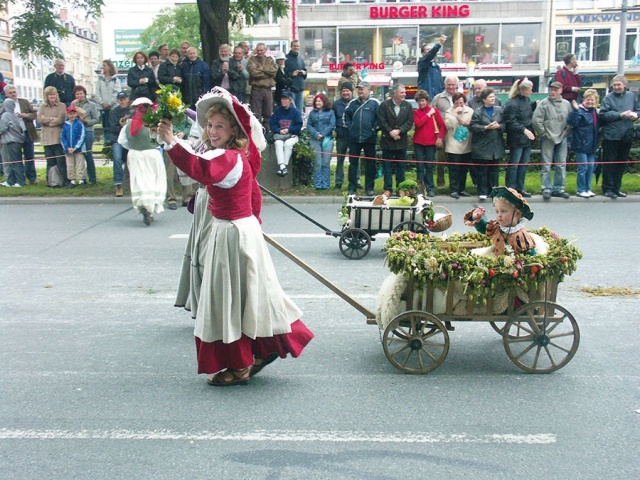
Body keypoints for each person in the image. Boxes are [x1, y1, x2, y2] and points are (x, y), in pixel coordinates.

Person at [156, 86, 314, 386]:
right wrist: (173, 141)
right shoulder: (230, 155)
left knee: (229, 300)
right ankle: (256, 351)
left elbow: (201, 170)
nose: (212, 131)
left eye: (220, 126)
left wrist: (171, 143)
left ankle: (240, 364)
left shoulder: (229, 158)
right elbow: (206, 168)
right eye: (209, 125)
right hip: (235, 230)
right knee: (248, 296)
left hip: (232, 235)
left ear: (233, 131)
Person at [117, 97, 167, 226]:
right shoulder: (154, 125)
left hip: (135, 155)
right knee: (154, 180)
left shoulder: (128, 125)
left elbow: (123, 141)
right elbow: (161, 140)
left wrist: (134, 146)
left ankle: (143, 205)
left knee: (139, 181)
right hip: (152, 153)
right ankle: (150, 208)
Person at [463, 186, 538, 257]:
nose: (499, 215)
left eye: (503, 211)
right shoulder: (497, 227)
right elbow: (484, 228)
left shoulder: (521, 236)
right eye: (497, 211)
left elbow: (531, 254)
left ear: (517, 214)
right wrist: (476, 218)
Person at [598, 75, 640, 199]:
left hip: (626, 134)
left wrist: (636, 115)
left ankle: (617, 188)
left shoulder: (631, 96)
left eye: (618, 85)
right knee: (610, 163)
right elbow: (603, 115)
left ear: (625, 85)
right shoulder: (608, 98)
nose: (616, 87)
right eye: (614, 85)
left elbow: (638, 110)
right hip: (611, 136)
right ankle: (607, 188)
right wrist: (619, 115)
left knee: (621, 163)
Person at [532, 81, 572, 200]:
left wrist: (568, 130)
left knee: (561, 164)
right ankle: (546, 188)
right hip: (548, 138)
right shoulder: (543, 103)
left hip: (562, 136)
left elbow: (571, 119)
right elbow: (536, 120)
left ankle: (559, 188)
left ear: (561, 91)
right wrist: (543, 133)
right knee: (546, 164)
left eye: (556, 90)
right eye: (551, 89)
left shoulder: (566, 104)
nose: (553, 92)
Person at [343, 81, 379, 195]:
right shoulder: (352, 103)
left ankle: (369, 188)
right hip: (354, 139)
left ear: (368, 90)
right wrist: (351, 128)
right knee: (353, 164)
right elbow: (346, 117)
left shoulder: (375, 103)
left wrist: (374, 129)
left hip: (369, 138)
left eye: (362, 89)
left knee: (370, 164)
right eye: (358, 89)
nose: (360, 91)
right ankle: (352, 187)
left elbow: (379, 118)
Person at [469, 88, 505, 201]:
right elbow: (473, 126)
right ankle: (482, 191)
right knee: (482, 170)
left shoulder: (500, 110)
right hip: (482, 146)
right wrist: (485, 127)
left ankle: (494, 191)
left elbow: (506, 124)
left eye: (493, 96)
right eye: (490, 97)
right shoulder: (478, 112)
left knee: (494, 170)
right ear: (484, 99)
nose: (493, 98)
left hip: (496, 145)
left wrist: (499, 126)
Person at [377, 83, 414, 196]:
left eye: (404, 92)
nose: (404, 94)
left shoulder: (408, 106)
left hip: (401, 141)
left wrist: (399, 131)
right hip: (387, 141)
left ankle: (400, 188)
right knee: (387, 166)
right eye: (402, 92)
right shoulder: (384, 105)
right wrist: (391, 133)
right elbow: (382, 121)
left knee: (401, 167)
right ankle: (388, 189)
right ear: (395, 93)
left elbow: (409, 122)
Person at [502, 77, 535, 198]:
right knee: (514, 164)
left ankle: (520, 187)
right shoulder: (512, 103)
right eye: (529, 89)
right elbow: (511, 121)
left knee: (524, 164)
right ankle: (511, 188)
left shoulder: (526, 100)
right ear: (522, 90)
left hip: (527, 137)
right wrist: (524, 130)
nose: (531, 91)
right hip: (516, 137)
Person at [567, 89, 599, 198]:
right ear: (584, 99)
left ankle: (588, 188)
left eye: (592, 100)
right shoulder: (580, 111)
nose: (590, 102)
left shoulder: (594, 112)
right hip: (581, 143)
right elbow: (572, 122)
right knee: (583, 167)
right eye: (588, 99)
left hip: (592, 144)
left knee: (590, 167)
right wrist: (575, 110)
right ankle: (580, 189)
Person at [412, 89, 445, 198]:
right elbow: (418, 124)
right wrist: (428, 115)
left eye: (423, 100)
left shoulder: (435, 111)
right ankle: (420, 189)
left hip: (431, 143)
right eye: (419, 101)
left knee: (429, 166)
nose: (421, 103)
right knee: (420, 167)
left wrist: (440, 138)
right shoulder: (416, 112)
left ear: (427, 101)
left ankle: (430, 188)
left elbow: (442, 126)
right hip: (418, 143)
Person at [3, 85, 38, 185]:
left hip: (27, 132)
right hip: (13, 136)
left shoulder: (24, 102)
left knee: (29, 156)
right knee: (16, 158)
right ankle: (19, 179)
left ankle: (32, 178)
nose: (13, 94)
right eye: (10, 93)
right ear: (6, 94)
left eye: (14, 92)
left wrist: (26, 115)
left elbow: (34, 114)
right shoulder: (4, 105)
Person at [444, 91, 474, 199]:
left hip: (466, 143)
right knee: (454, 169)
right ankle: (454, 189)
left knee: (464, 169)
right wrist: (455, 114)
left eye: (461, 103)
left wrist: (466, 123)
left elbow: (473, 124)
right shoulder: (449, 112)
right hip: (453, 144)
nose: (459, 105)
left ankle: (462, 189)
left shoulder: (470, 111)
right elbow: (448, 125)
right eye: (457, 103)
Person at [38, 86, 68, 187]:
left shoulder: (61, 106)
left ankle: (64, 181)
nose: (52, 96)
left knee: (60, 161)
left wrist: (46, 120)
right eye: (50, 95)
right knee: (50, 161)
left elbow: (60, 119)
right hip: (46, 138)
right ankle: (51, 181)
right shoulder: (43, 107)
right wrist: (51, 119)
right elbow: (39, 120)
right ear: (46, 96)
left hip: (57, 137)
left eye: (54, 94)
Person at [431, 75, 458, 188]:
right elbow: (431, 116)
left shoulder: (460, 97)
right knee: (440, 160)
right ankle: (440, 183)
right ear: (445, 85)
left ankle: (455, 185)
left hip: (456, 133)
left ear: (456, 85)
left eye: (453, 84)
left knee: (455, 161)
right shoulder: (437, 98)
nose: (451, 87)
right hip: (442, 134)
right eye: (448, 84)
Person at [269, 90, 303, 177]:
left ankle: (284, 166)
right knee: (278, 143)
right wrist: (279, 130)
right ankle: (283, 167)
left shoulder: (295, 112)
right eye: (282, 99)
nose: (283, 101)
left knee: (288, 144)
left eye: (286, 99)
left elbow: (299, 125)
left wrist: (289, 130)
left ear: (290, 100)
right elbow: (272, 125)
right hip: (280, 135)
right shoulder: (277, 111)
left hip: (292, 135)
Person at [71, 85, 100, 184]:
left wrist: (86, 121)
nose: (79, 95)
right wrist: (72, 107)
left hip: (87, 131)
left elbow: (96, 119)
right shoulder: (73, 105)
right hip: (76, 132)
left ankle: (92, 178)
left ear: (85, 94)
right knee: (78, 155)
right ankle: (80, 178)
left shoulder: (91, 105)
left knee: (88, 154)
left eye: (81, 93)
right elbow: (68, 118)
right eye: (77, 94)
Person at [307, 93, 336, 190]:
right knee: (317, 162)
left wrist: (323, 134)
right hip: (315, 140)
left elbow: (332, 125)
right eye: (316, 101)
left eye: (319, 101)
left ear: (324, 102)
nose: (317, 103)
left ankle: (326, 184)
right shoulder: (312, 113)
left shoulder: (331, 112)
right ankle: (318, 184)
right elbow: (309, 125)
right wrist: (316, 134)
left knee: (326, 162)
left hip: (327, 139)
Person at [248, 43, 278, 129]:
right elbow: (253, 73)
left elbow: (274, 72)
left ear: (265, 50)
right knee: (256, 114)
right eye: (258, 50)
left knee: (268, 113)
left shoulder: (270, 60)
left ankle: (267, 132)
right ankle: (258, 132)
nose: (260, 52)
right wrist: (267, 73)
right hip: (256, 89)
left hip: (268, 89)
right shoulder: (252, 60)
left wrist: (261, 69)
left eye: (261, 50)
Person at [109, 91, 131, 197]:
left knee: (133, 159)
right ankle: (118, 184)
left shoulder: (132, 111)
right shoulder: (113, 112)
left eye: (124, 99)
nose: (122, 101)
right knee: (117, 159)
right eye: (120, 100)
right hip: (117, 139)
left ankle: (134, 182)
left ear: (127, 99)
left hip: (130, 139)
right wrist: (124, 126)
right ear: (118, 101)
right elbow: (113, 128)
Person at [95, 59, 122, 146]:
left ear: (110, 67)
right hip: (102, 108)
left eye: (104, 65)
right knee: (105, 127)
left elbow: (117, 93)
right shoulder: (100, 79)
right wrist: (101, 102)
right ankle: (106, 145)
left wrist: (110, 103)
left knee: (113, 126)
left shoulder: (115, 79)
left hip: (113, 108)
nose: (103, 67)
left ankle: (114, 144)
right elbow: (97, 92)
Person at [0, 98, 26, 187]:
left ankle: (20, 182)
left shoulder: (6, 115)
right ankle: (11, 181)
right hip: (18, 141)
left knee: (15, 162)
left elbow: (2, 128)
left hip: (11, 141)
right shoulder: (15, 115)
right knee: (13, 161)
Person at [332, 82, 353, 190]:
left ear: (351, 92)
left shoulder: (355, 103)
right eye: (343, 91)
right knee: (340, 160)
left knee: (354, 160)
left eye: (347, 91)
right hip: (341, 135)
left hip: (353, 136)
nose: (345, 93)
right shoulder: (336, 104)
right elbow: (333, 119)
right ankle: (338, 182)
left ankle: (355, 180)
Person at [60, 105, 87, 187]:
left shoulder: (79, 124)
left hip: (79, 149)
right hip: (68, 150)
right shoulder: (65, 125)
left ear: (76, 114)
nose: (72, 115)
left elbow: (82, 136)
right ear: (67, 114)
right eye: (70, 114)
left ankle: (82, 180)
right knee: (70, 165)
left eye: (74, 113)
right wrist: (67, 147)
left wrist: (75, 147)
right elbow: (62, 137)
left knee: (80, 164)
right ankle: (72, 180)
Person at [417, 35, 446, 101]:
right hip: (426, 98)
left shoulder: (436, 67)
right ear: (423, 53)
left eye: (430, 49)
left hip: (438, 98)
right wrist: (439, 44)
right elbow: (430, 54)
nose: (430, 51)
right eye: (428, 49)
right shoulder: (422, 63)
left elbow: (441, 83)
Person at [285, 39, 307, 112]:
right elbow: (284, 74)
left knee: (299, 112)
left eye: (297, 46)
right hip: (291, 89)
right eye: (294, 46)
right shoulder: (286, 59)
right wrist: (292, 74)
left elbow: (305, 72)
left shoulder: (301, 58)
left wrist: (304, 73)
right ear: (291, 47)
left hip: (300, 89)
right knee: (291, 111)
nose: (296, 47)